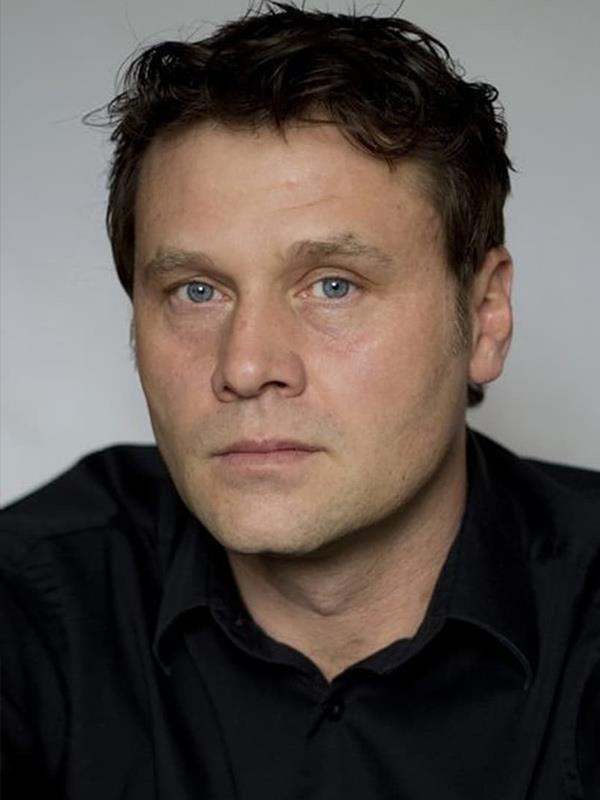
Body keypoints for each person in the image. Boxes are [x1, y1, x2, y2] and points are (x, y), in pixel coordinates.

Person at [1, 3, 598, 798]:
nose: (247, 366)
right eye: (197, 290)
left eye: (333, 286)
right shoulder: (33, 602)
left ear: (485, 317)